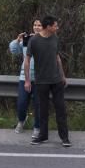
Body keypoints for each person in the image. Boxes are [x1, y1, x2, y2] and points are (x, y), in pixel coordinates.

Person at [24, 15, 70, 147]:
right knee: (42, 110)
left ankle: (64, 138)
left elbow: (57, 58)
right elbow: (27, 61)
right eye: (55, 25)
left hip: (56, 80)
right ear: (49, 27)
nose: (57, 27)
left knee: (60, 109)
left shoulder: (55, 38)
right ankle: (43, 136)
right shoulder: (34, 41)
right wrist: (27, 80)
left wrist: (63, 76)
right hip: (41, 81)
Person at [9, 19, 44, 137]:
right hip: (25, 77)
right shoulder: (27, 39)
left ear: (43, 27)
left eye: (39, 25)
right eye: (35, 25)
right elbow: (14, 51)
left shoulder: (45, 40)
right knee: (22, 103)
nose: (37, 27)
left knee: (38, 104)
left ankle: (37, 127)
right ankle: (21, 120)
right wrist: (17, 40)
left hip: (40, 78)